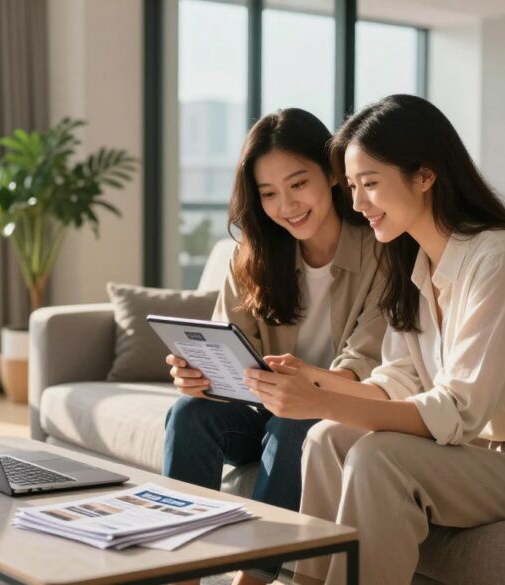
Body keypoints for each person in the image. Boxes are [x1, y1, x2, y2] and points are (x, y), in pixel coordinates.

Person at [242, 95, 505, 585]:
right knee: (326, 438)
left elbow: (458, 409)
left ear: (424, 175)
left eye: (370, 184)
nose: (356, 204)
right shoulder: (417, 264)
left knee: (380, 459)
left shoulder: (499, 260)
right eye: (352, 187)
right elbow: (397, 382)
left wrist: (319, 400)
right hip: (486, 454)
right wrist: (311, 384)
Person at [163, 108, 387, 585]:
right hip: (264, 411)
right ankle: (180, 572)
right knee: (187, 415)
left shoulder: (379, 250)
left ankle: (254, 577)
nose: (286, 205)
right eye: (268, 194)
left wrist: (303, 387)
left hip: (336, 413)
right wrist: (200, 377)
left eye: (297, 184)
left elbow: (365, 363)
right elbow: (232, 357)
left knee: (293, 418)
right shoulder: (252, 257)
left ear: (331, 172)